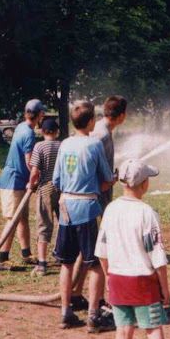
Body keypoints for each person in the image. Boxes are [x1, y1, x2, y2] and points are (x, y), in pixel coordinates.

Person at [95, 158, 170, 339]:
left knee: (123, 331)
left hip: (118, 279)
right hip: (143, 282)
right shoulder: (146, 212)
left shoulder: (111, 209)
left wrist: (109, 276)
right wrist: (165, 288)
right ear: (144, 184)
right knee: (154, 330)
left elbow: (102, 251)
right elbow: (157, 255)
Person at [52, 101, 115, 330]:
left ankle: (65, 312)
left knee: (67, 263)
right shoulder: (94, 144)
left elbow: (57, 180)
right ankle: (93, 316)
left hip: (66, 209)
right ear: (90, 122)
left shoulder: (65, 144)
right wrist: (113, 179)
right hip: (87, 208)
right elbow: (107, 179)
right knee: (95, 264)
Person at [70, 95, 127, 312]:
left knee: (89, 249)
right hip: (95, 200)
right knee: (97, 250)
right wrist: (109, 180)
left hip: (95, 197)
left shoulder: (102, 131)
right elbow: (88, 166)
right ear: (122, 116)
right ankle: (96, 301)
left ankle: (75, 294)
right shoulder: (101, 135)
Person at [0, 99, 47, 271]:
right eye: (42, 113)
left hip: (17, 180)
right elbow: (29, 162)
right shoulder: (29, 133)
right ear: (39, 115)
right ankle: (2, 259)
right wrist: (36, 177)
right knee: (12, 220)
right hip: (13, 181)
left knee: (22, 218)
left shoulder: (21, 127)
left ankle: (26, 254)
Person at [27, 118, 61, 277]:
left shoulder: (39, 146)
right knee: (63, 223)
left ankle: (42, 263)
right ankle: (61, 253)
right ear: (57, 131)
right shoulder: (62, 145)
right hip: (61, 188)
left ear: (42, 131)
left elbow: (34, 171)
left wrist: (31, 185)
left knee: (44, 225)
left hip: (45, 189)